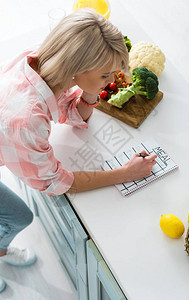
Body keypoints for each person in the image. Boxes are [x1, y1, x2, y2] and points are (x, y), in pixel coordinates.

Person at [0, 8, 156, 292]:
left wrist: (93, 87)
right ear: (76, 68)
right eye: (106, 73)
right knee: (19, 217)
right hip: (12, 131)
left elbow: (75, 114)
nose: (112, 79)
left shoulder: (38, 62)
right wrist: (124, 173)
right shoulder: (26, 121)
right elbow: (55, 182)